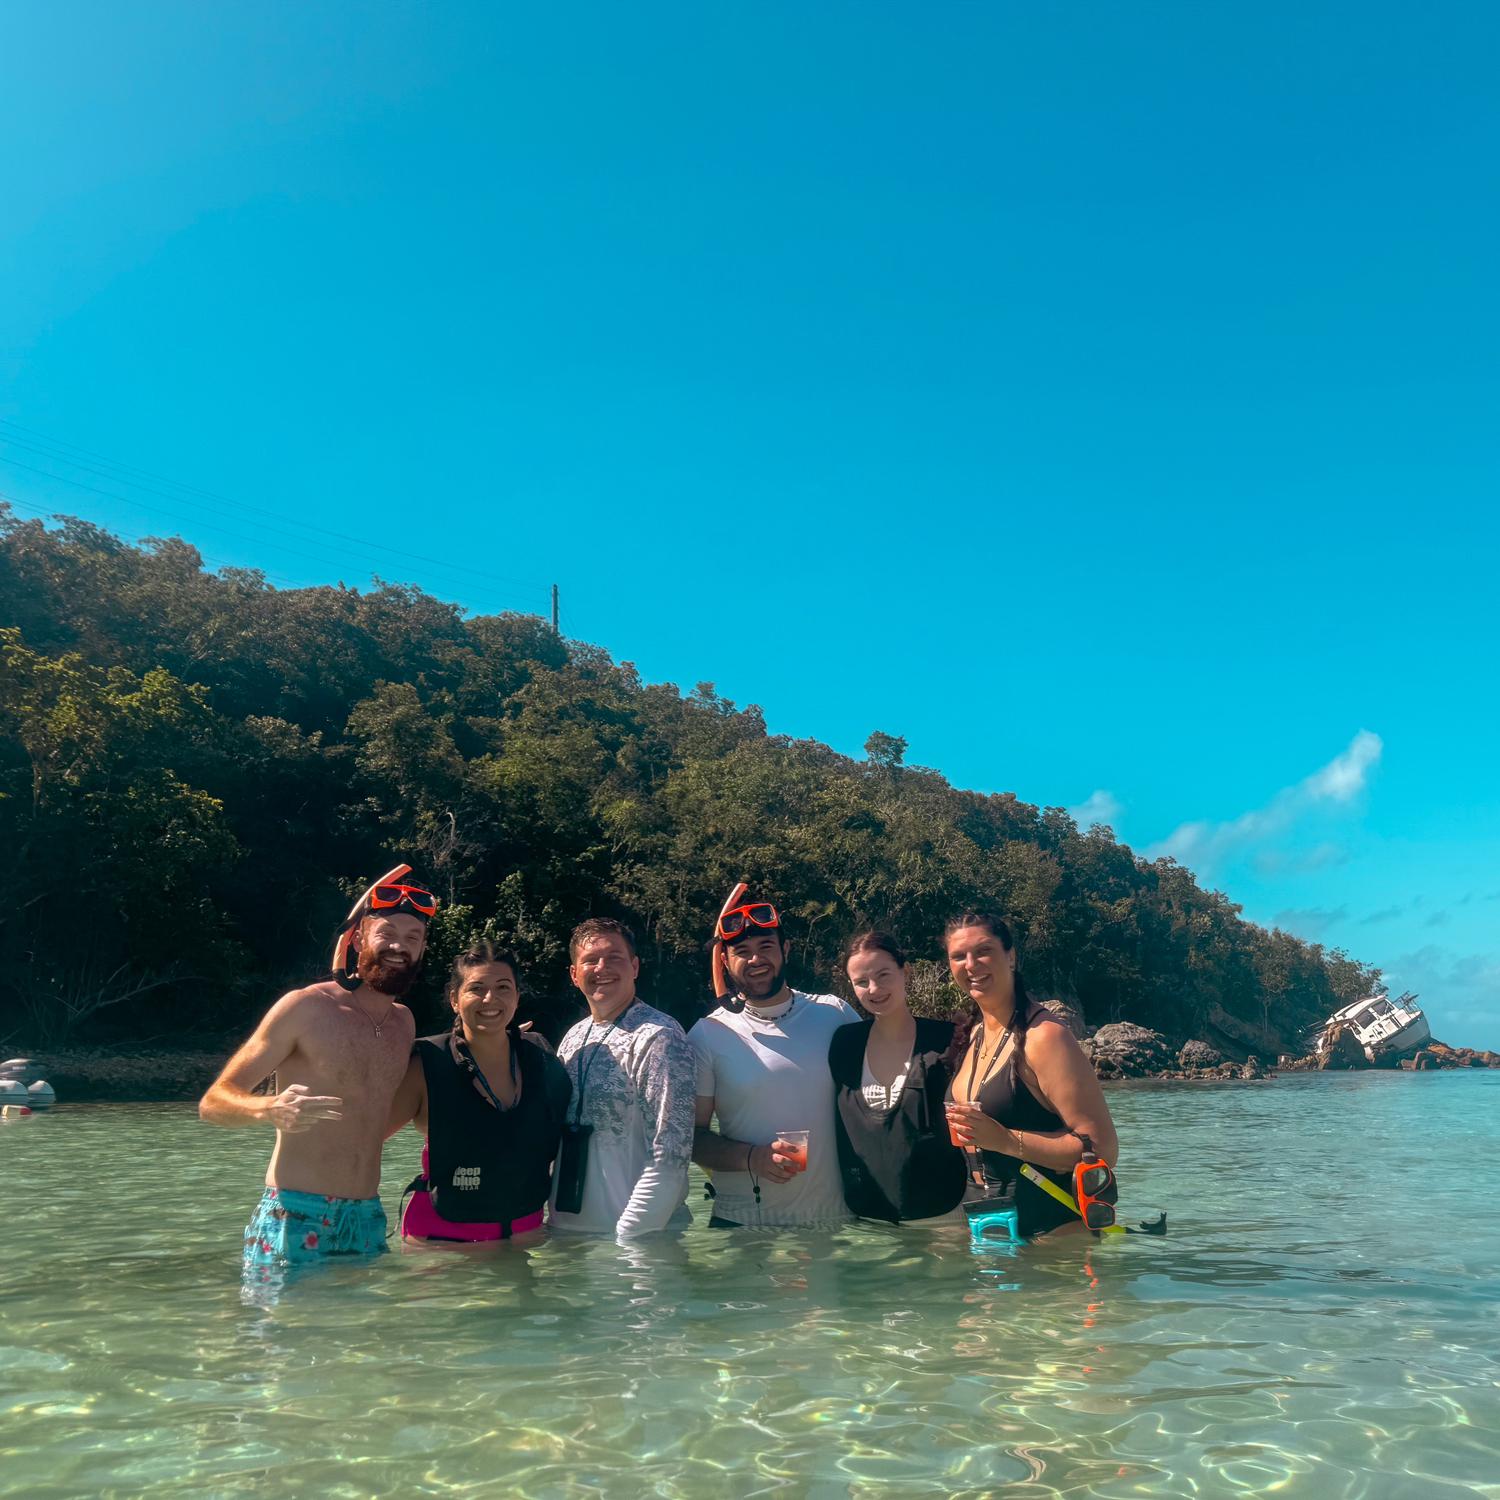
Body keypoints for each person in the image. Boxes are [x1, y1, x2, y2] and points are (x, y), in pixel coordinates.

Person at [199, 875, 438, 1274]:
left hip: (367, 1218)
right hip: (297, 1213)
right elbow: (214, 1101)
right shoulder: (306, 1008)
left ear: (422, 949)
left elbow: (373, 1114)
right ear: (359, 939)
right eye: (387, 933)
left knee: (355, 1338)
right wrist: (268, 1108)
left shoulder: (404, 1024)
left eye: (413, 937)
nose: (399, 946)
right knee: (281, 1335)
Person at [941, 912, 1119, 1237]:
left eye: (983, 951)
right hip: (989, 1234)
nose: (971, 964)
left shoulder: (1045, 1037)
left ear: (1010, 956)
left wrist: (1006, 1141)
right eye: (958, 956)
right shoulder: (973, 1034)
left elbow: (1104, 1148)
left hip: (1050, 1240)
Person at [689, 894, 858, 1228]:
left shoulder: (834, 1014)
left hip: (832, 1221)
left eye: (766, 946)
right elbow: (690, 1138)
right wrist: (752, 1158)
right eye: (741, 952)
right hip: (743, 1224)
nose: (755, 959)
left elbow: (882, 1096)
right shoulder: (708, 1033)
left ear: (786, 950)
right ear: (725, 962)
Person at [387, 941, 572, 1243]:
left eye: (503, 987)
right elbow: (365, 1138)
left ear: (516, 996)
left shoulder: (539, 1058)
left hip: (525, 1232)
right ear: (454, 1000)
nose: (491, 998)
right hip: (444, 1242)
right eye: (476, 988)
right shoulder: (426, 1066)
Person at [549, 917, 697, 1240]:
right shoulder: (574, 1038)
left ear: (635, 967)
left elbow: (670, 1156)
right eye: (590, 960)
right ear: (574, 975)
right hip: (569, 1239)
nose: (602, 967)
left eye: (614, 957)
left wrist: (628, 1242)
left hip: (637, 1243)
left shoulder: (660, 1037)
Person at [828, 931, 966, 1223]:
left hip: (941, 1217)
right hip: (866, 1221)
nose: (875, 989)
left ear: (906, 971)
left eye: (884, 975)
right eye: (861, 982)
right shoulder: (843, 1044)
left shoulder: (947, 1039)